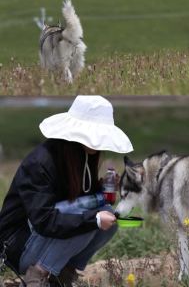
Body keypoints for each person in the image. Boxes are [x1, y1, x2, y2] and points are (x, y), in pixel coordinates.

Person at [0, 96, 133, 287]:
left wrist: (101, 191)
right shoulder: (40, 163)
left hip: (42, 238)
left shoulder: (80, 154)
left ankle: (62, 273)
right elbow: (45, 220)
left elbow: (71, 202)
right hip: (19, 246)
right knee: (92, 220)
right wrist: (93, 219)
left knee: (108, 217)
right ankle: (37, 275)